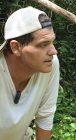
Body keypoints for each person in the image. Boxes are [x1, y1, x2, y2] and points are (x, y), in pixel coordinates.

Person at [0, 7, 59, 140]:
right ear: (16, 47)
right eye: (43, 44)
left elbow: (45, 115)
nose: (53, 51)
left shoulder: (50, 64)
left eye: (52, 42)